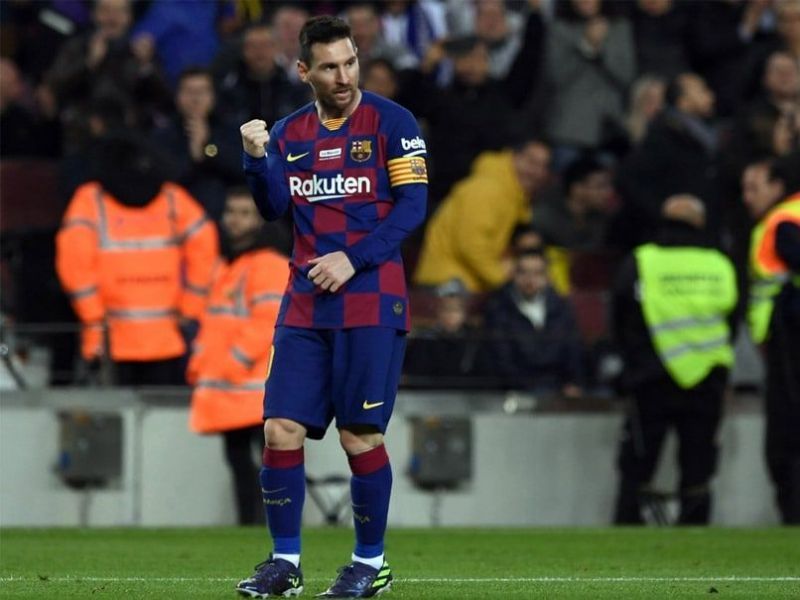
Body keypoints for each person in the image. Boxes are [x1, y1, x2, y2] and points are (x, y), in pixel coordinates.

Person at [236, 15, 427, 598]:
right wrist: (255, 158)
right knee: (280, 427)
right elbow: (272, 208)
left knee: (359, 435)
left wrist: (354, 258)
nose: (343, 76)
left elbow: (413, 206)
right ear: (304, 71)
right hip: (304, 304)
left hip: (371, 301)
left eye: (349, 62)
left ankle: (370, 564)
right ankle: (285, 564)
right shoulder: (292, 134)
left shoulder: (394, 123)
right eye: (329, 66)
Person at [611, 195, 738, 525]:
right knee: (698, 471)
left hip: (649, 377)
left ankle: (625, 538)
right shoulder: (719, 264)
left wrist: (631, 364)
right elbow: (732, 322)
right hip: (706, 379)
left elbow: (620, 318)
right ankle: (695, 545)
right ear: (699, 223)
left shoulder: (641, 261)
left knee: (637, 467)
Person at [55, 132, 218, 386]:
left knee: (112, 421)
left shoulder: (91, 200)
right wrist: (191, 307)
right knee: (160, 420)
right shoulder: (172, 198)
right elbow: (205, 245)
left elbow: (74, 266)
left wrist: (93, 316)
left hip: (109, 340)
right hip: (165, 338)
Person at [187, 187, 289, 526]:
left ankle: (263, 526)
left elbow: (267, 323)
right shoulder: (229, 264)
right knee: (241, 462)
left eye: (245, 213)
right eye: (231, 211)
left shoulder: (268, 264)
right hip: (235, 387)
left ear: (260, 220)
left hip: (254, 385)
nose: (235, 220)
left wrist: (232, 361)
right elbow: (214, 322)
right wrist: (202, 365)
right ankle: (252, 525)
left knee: (261, 464)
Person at [741, 156, 800, 524]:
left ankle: (793, 513)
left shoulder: (783, 220)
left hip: (789, 335)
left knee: (787, 431)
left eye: (754, 187)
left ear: (778, 186)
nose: (747, 197)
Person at [414, 139, 551, 292]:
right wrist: (504, 282)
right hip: (447, 283)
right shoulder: (487, 189)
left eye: (543, 166)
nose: (535, 172)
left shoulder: (513, 197)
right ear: (513, 157)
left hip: (469, 283)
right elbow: (471, 244)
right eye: (531, 161)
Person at [483, 248, 584, 397]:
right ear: (513, 274)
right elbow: (502, 360)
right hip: (519, 391)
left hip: (559, 388)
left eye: (537, 273)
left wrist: (573, 383)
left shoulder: (561, 308)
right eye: (523, 272)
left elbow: (573, 351)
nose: (530, 280)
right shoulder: (499, 309)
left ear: (547, 276)